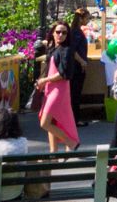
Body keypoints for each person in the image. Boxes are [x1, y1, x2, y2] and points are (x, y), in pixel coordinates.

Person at [34, 21, 81, 151]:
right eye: (58, 32)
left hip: (59, 90)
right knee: (52, 121)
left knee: (45, 123)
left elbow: (64, 73)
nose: (61, 35)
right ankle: (53, 152)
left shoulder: (66, 50)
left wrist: (45, 80)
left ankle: (71, 143)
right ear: (53, 33)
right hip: (52, 88)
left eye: (64, 32)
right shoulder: (55, 48)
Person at [64, 10, 91, 121]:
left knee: (75, 93)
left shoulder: (77, 31)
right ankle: (74, 119)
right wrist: (82, 61)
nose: (88, 21)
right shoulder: (75, 32)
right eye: (87, 18)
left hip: (78, 65)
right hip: (76, 67)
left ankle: (74, 118)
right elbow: (73, 50)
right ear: (81, 18)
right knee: (75, 93)